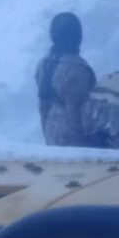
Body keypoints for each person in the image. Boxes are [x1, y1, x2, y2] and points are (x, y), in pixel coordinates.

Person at [34, 12, 97, 147]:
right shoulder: (78, 70)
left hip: (51, 133)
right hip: (73, 142)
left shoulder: (44, 64)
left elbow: (43, 106)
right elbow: (76, 115)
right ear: (78, 37)